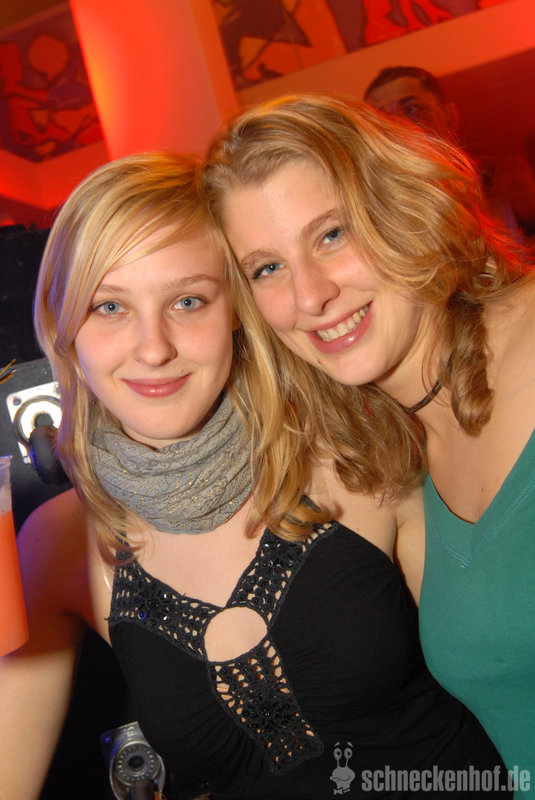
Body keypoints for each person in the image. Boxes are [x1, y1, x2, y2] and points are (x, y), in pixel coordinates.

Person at [0, 151, 511, 800]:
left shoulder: (358, 453)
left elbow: (507, 675)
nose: (153, 348)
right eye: (109, 307)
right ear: (62, 326)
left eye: (189, 301)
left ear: (237, 309)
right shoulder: (61, 543)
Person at [202, 92, 535, 796]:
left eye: (331, 234)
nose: (310, 295)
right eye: (266, 268)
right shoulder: (400, 459)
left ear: (402, 210)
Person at [364, 65, 535, 244]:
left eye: (412, 110)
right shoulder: (374, 216)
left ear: (450, 117)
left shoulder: (498, 182)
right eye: (381, 117)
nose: (397, 124)